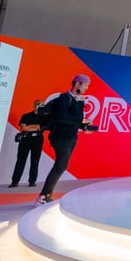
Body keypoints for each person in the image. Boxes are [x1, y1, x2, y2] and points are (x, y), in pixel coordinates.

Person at [36, 74, 93, 205]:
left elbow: (75, 121)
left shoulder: (80, 100)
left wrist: (84, 127)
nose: (86, 88)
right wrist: (81, 121)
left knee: (61, 165)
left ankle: (46, 195)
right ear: (77, 84)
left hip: (72, 137)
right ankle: (43, 196)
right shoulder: (63, 98)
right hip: (60, 137)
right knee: (61, 165)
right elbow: (61, 117)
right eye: (85, 85)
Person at [9, 99, 46, 188]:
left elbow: (41, 127)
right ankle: (15, 181)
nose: (40, 106)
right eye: (38, 104)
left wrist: (30, 126)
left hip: (38, 139)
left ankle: (32, 181)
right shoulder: (26, 116)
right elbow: (23, 128)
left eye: (42, 104)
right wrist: (35, 127)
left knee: (35, 160)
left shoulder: (45, 117)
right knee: (21, 160)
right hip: (26, 139)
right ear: (34, 105)